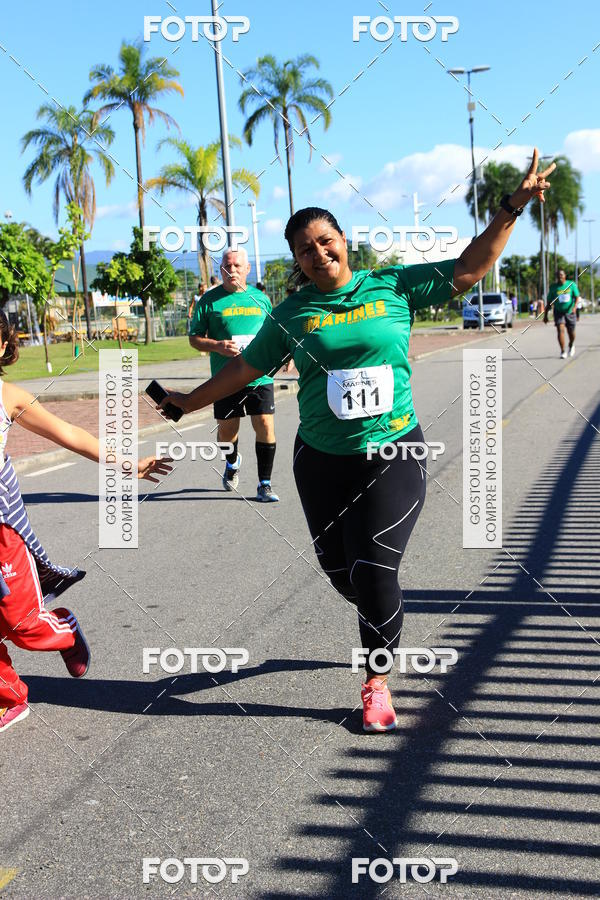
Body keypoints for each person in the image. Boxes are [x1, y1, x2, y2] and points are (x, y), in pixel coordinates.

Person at [160, 150, 555, 732]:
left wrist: (512, 207)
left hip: (393, 451)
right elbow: (246, 368)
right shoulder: (291, 313)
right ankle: (380, 607)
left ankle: (376, 679)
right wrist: (188, 402)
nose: (318, 253)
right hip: (321, 460)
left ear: (343, 240)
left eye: (326, 241)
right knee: (341, 573)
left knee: (372, 567)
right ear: (296, 260)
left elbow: (470, 267)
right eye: (304, 249)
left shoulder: (392, 285)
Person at [0, 312, 171, 733]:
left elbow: (70, 434)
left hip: (3, 532)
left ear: (3, 346)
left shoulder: (8, 397)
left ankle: (65, 628)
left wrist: (129, 464)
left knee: (21, 624)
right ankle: (9, 697)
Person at [188, 247, 280, 502]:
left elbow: (274, 332)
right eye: (227, 266)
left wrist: (283, 355)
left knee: (264, 424)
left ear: (247, 269)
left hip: (259, 374)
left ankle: (265, 484)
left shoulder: (261, 299)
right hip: (226, 377)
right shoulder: (209, 300)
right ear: (221, 270)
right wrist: (217, 345)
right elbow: (194, 338)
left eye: (237, 265)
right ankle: (231, 461)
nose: (232, 270)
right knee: (227, 431)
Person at [544, 268, 579, 358]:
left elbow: (577, 297)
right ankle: (563, 351)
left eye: (561, 275)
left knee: (571, 332)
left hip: (570, 312)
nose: (559, 277)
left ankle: (571, 344)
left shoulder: (571, 284)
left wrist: (575, 307)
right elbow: (549, 302)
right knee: (560, 330)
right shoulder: (553, 287)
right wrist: (545, 316)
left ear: (565, 276)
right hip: (558, 312)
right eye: (558, 275)